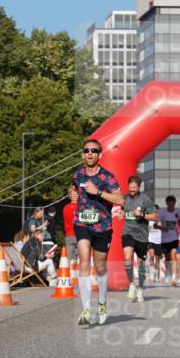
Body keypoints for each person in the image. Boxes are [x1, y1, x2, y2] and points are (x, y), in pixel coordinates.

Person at [69, 138, 123, 326]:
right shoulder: (77, 175)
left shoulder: (107, 177)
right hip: (82, 223)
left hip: (102, 226)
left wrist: (98, 192)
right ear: (82, 155)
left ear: (99, 155)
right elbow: (73, 187)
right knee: (84, 260)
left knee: (100, 267)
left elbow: (120, 200)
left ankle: (102, 302)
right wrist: (71, 193)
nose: (90, 153)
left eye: (93, 150)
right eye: (86, 150)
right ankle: (85, 309)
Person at [121, 175, 158, 303]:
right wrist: (122, 214)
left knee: (141, 263)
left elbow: (155, 217)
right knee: (127, 257)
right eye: (130, 187)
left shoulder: (145, 199)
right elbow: (123, 211)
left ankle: (140, 289)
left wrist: (142, 214)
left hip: (142, 235)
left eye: (134, 187)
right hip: (128, 232)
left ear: (139, 187)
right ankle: (131, 284)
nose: (132, 189)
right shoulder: (125, 198)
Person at [157, 196, 180, 286]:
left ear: (175, 203)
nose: (171, 206)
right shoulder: (162, 212)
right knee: (167, 258)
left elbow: (179, 221)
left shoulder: (178, 211)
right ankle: (168, 273)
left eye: (172, 204)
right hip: (164, 239)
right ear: (166, 203)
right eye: (169, 204)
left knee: (173, 256)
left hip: (174, 238)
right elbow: (156, 225)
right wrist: (163, 228)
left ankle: (174, 276)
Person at [62, 189, 78, 262]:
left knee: (69, 258)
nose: (74, 196)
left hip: (69, 234)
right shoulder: (82, 207)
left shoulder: (65, 207)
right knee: (79, 259)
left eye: (75, 194)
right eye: (73, 194)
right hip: (78, 234)